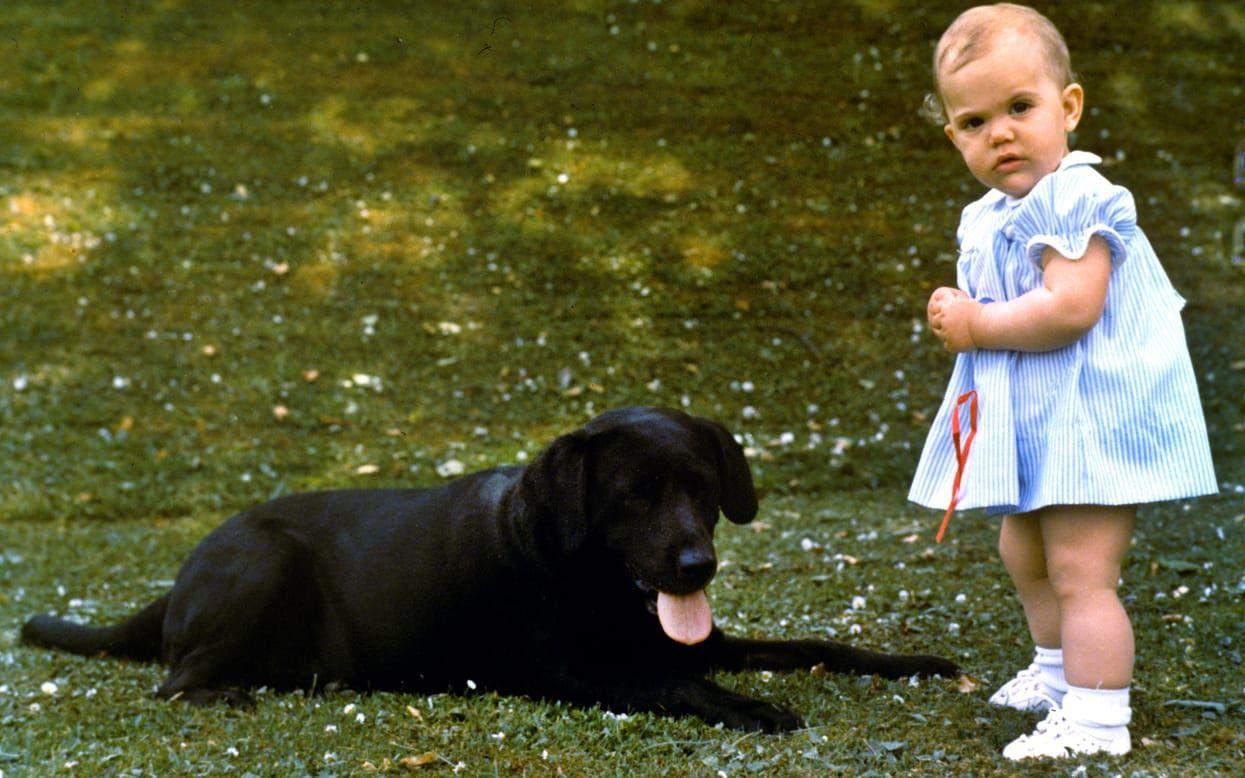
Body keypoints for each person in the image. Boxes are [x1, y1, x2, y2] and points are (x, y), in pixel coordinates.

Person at [907, 2, 1218, 761]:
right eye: (974, 122)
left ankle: (1098, 719)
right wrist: (962, 312)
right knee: (1025, 551)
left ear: (1067, 106)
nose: (1000, 133)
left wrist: (977, 323)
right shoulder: (984, 214)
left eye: (1020, 107)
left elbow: (1071, 309)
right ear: (953, 136)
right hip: (1037, 421)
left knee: (1081, 569)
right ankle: (1054, 674)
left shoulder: (1077, 195)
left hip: (1092, 420)